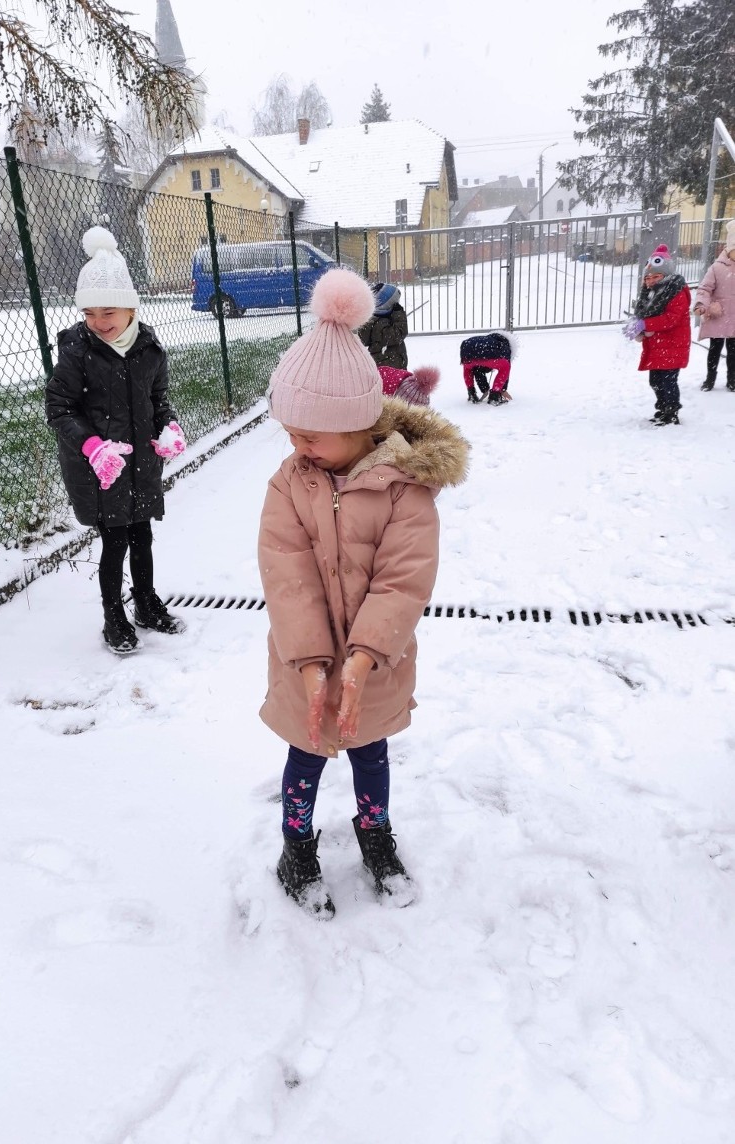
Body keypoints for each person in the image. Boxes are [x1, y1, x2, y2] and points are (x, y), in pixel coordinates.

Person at [258, 268, 470, 915]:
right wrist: (315, 659)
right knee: (306, 753)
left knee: (370, 751)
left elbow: (403, 578)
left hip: (375, 659)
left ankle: (373, 830)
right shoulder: (290, 483)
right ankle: (296, 844)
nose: (298, 446)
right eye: (290, 431)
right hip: (305, 662)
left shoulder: (406, 489)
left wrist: (362, 653)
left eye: (311, 434)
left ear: (357, 424)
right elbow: (286, 571)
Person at [46, 227, 187, 654]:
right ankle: (113, 617)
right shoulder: (77, 352)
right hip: (100, 471)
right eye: (89, 313)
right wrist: (92, 447)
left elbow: (157, 399)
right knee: (115, 541)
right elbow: (59, 409)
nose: (99, 321)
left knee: (141, 534)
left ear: (131, 308)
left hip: (141, 464)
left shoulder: (149, 349)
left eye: (108, 310)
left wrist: (169, 426)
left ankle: (145, 602)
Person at [622, 245, 691, 426]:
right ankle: (662, 408)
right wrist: (637, 327)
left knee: (668, 382)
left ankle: (671, 412)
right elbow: (646, 314)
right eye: (648, 278)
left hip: (673, 345)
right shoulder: (650, 294)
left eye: (656, 276)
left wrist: (646, 324)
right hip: (658, 346)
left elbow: (671, 319)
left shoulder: (676, 292)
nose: (651, 281)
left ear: (666, 275)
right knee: (655, 381)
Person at [694, 221, 735, 392]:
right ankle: (710, 379)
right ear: (729, 248)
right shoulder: (717, 268)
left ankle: (732, 380)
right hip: (718, 316)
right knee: (714, 350)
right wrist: (701, 305)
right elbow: (704, 289)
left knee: (733, 353)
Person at [359, 282, 409, 368]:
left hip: (388, 366)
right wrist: (399, 314)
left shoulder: (374, 321)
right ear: (387, 305)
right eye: (395, 304)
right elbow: (399, 333)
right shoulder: (380, 325)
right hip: (389, 367)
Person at [459, 332, 513, 405]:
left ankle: (471, 393)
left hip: (466, 349)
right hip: (486, 352)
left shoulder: (487, 340)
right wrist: (503, 389)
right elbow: (506, 369)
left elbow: (477, 370)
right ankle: (494, 397)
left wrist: (484, 388)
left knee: (468, 368)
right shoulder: (504, 345)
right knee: (505, 367)